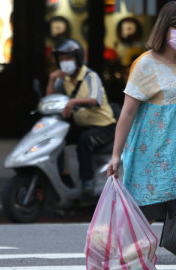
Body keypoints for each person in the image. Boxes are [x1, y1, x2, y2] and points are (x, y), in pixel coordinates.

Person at [106, 2, 176, 269]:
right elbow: (128, 114)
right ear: (164, 28)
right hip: (150, 162)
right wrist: (116, 156)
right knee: (139, 226)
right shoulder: (145, 65)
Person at [46, 38, 116, 197]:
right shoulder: (63, 80)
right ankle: (63, 175)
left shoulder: (91, 76)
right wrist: (51, 79)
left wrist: (73, 102)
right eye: (62, 59)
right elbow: (50, 97)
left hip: (104, 126)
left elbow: (94, 100)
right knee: (57, 137)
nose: (65, 62)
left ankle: (87, 182)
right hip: (84, 124)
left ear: (77, 58)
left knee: (84, 140)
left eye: (68, 58)